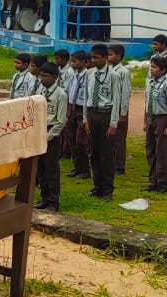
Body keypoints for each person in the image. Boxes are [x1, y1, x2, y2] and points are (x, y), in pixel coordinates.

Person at [83, 44, 120, 201]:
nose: (93, 60)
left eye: (96, 58)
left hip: (106, 114)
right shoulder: (89, 74)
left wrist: (113, 124)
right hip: (92, 113)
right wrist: (85, 119)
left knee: (106, 154)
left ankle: (107, 189)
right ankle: (97, 185)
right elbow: (86, 97)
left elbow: (117, 100)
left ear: (105, 58)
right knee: (94, 152)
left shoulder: (113, 76)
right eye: (92, 57)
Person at [143, 56, 167, 193]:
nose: (151, 70)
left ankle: (162, 184)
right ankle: (153, 181)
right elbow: (147, 102)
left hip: (162, 118)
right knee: (150, 150)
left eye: (154, 67)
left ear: (163, 70)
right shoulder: (149, 83)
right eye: (151, 67)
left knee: (162, 151)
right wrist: (145, 121)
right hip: (151, 117)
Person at [35, 62, 67, 211]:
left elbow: (60, 121)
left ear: (54, 77)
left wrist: (48, 136)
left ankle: (53, 201)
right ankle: (44, 197)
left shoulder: (61, 95)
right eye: (41, 76)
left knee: (51, 168)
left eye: (45, 76)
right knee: (40, 168)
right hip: (39, 129)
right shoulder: (40, 90)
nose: (42, 79)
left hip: (51, 133)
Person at [64, 50, 91, 179]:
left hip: (82, 109)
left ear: (84, 62)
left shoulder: (88, 76)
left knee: (81, 141)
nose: (72, 64)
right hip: (72, 108)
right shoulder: (74, 75)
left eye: (75, 61)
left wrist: (86, 116)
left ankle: (85, 169)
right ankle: (77, 167)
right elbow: (68, 91)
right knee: (71, 138)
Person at [107, 44, 131, 174]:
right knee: (110, 137)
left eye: (111, 54)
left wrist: (123, 113)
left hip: (120, 108)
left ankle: (119, 166)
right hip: (110, 107)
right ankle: (111, 162)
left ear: (119, 56)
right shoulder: (109, 69)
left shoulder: (123, 72)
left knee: (119, 138)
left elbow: (125, 93)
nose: (108, 57)